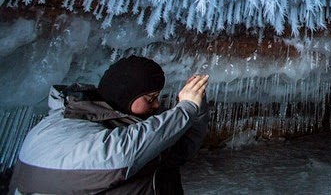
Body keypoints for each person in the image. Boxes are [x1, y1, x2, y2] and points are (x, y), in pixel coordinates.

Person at [9, 55, 210, 194]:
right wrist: (185, 109)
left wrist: (197, 109)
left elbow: (179, 151)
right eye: (150, 98)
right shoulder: (63, 124)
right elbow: (118, 155)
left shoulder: (128, 123)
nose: (157, 104)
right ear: (127, 95)